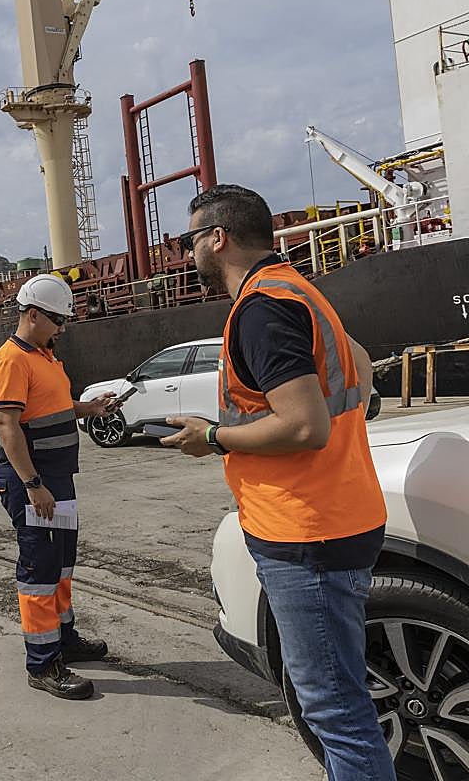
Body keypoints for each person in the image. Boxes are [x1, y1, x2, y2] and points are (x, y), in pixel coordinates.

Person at [163, 185, 395, 780]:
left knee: (334, 711)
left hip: (305, 534)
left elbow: (305, 426)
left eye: (190, 240)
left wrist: (213, 437)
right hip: (342, 513)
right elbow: (361, 367)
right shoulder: (298, 289)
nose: (187, 253)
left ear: (218, 238)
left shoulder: (261, 309)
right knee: (341, 697)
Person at [0, 273, 117, 700]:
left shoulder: (46, 358)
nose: (62, 328)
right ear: (33, 314)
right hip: (35, 484)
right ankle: (43, 664)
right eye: (58, 320)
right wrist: (32, 484)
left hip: (57, 481)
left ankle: (64, 639)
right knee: (40, 572)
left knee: (61, 567)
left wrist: (90, 408)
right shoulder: (11, 360)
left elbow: (55, 407)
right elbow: (8, 426)